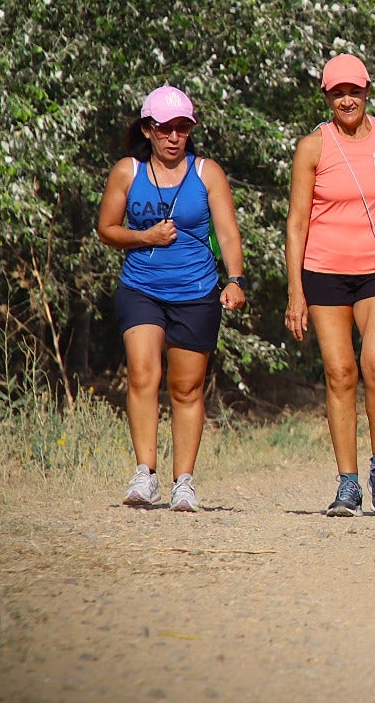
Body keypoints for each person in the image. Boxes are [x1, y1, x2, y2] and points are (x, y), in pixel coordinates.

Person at [285, 54, 375, 516]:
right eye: (337, 92)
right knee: (340, 372)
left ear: (368, 91)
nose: (346, 100)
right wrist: (295, 292)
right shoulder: (313, 147)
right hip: (324, 270)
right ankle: (348, 483)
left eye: (354, 91)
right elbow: (296, 222)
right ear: (326, 96)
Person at [97, 85, 247, 511]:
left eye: (182, 128)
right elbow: (106, 228)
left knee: (186, 388)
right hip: (141, 288)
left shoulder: (207, 173)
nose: (173, 136)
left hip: (197, 291)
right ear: (147, 129)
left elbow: (228, 233)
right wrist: (144, 236)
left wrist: (235, 280)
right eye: (164, 128)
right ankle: (145, 474)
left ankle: (184, 481)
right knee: (144, 374)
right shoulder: (127, 172)